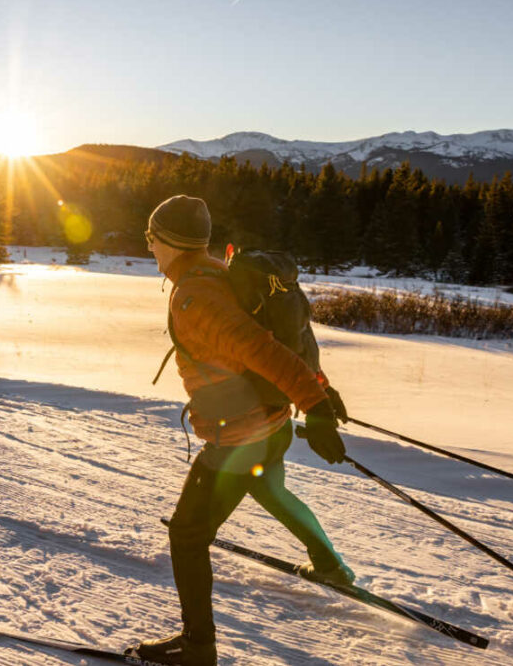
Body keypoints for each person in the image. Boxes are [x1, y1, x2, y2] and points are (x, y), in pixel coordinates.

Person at [129, 195, 354, 666]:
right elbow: (285, 340)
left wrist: (316, 405)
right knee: (270, 490)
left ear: (168, 241)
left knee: (187, 536)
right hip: (271, 428)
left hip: (239, 436)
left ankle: (198, 649)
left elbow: (261, 349)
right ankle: (330, 565)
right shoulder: (218, 274)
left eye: (151, 238)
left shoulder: (197, 297)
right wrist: (319, 392)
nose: (149, 248)